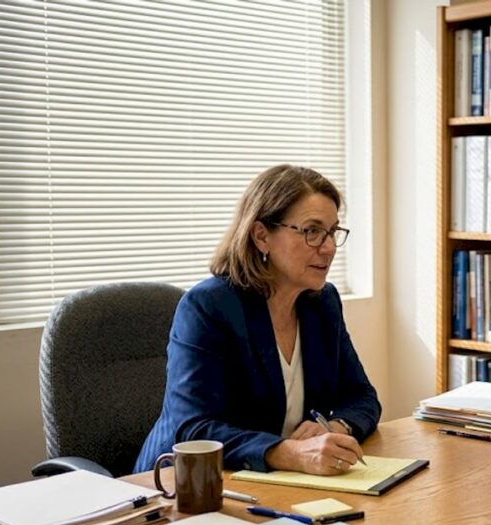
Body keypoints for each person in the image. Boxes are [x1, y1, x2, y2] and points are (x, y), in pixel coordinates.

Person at [135, 164, 381, 475]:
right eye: (312, 231)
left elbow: (362, 396)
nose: (330, 247)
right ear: (262, 235)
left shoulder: (322, 302)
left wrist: (334, 426)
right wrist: (291, 453)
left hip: (278, 483)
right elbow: (193, 428)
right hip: (182, 486)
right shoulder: (208, 306)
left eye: (332, 232)